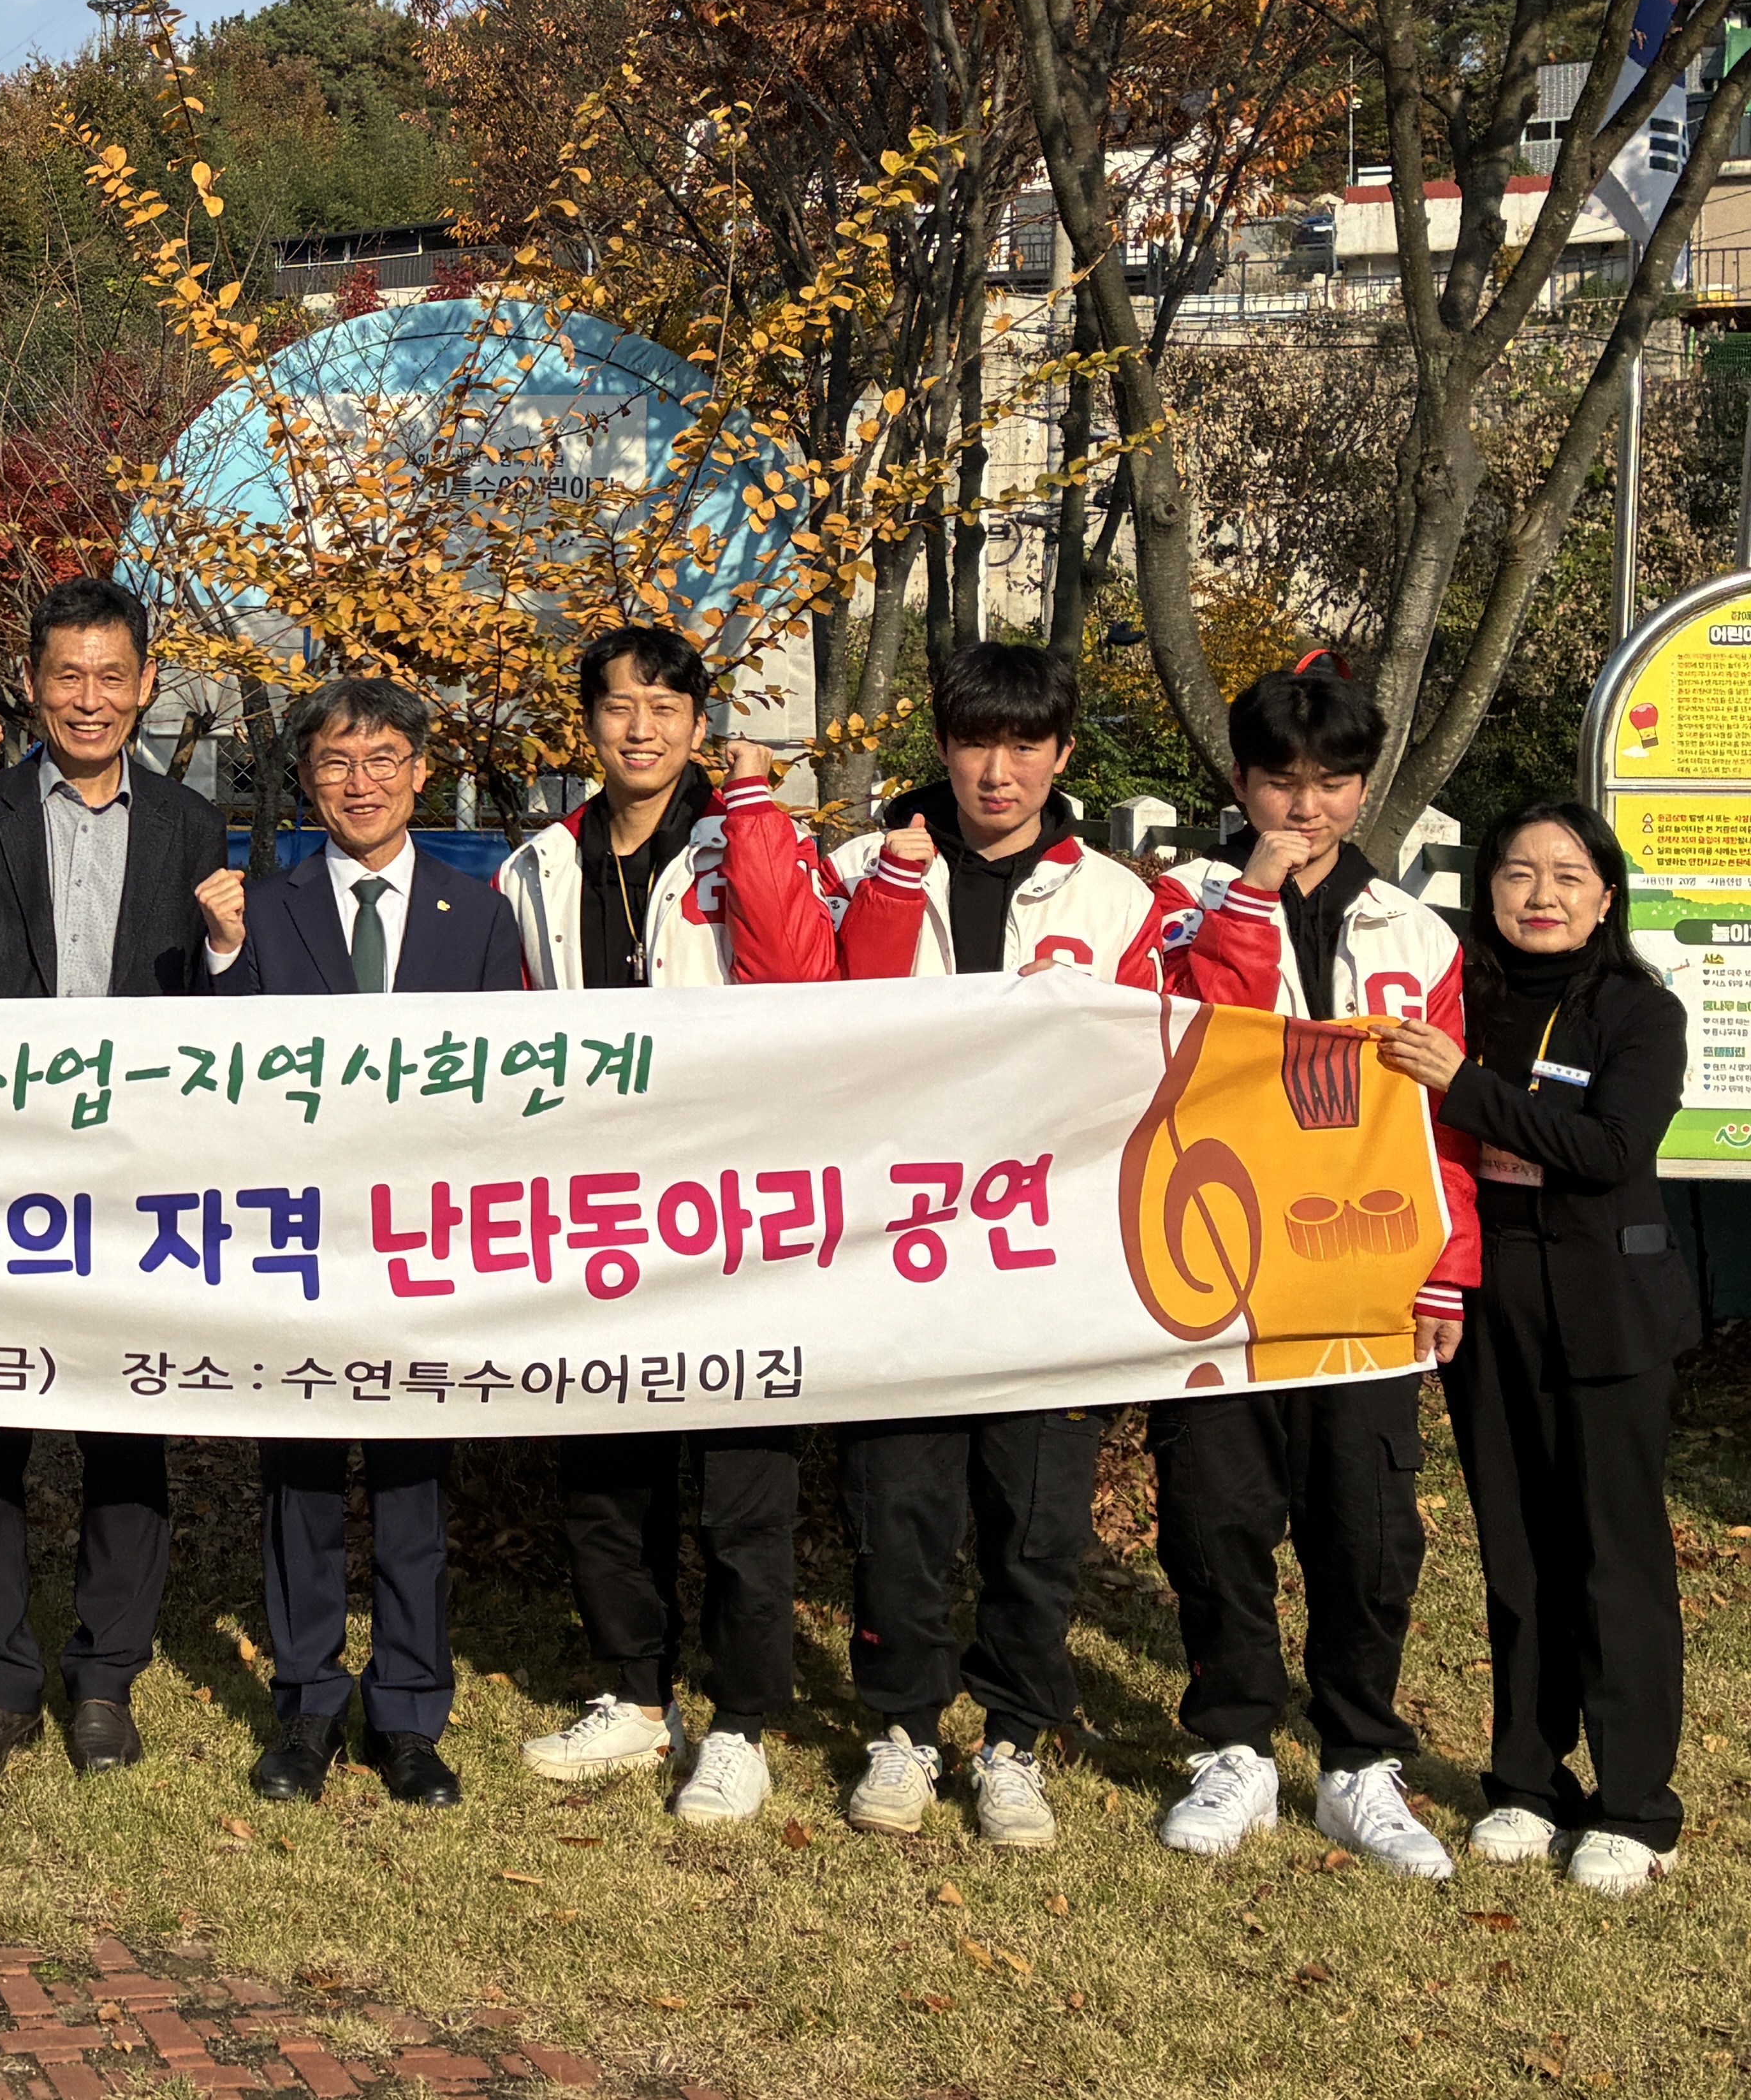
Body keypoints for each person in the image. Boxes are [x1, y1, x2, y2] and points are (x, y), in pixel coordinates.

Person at [805, 641, 1157, 1852]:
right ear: (943, 747)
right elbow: (811, 1020)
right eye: (973, 741)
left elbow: (1162, 1071)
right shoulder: (863, 869)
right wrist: (894, 885)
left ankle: (1014, 1738)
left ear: (1061, 753)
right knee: (897, 1499)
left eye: (1023, 744)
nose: (996, 770)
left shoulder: (1116, 900)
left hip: (1051, 1259)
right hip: (896, 1246)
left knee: (1036, 1511)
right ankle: (901, 1729)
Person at [0, 575, 231, 1780]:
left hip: (133, 1172)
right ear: (30, 684)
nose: (88, 700)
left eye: (111, 676)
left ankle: (105, 1681)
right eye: (64, 676)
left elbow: (212, 1009)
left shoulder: (193, 826)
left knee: (126, 1430)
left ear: (146, 685)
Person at [1147, 654, 1476, 1879]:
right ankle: (1232, 1742)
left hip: (1364, 1267)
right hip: (1215, 1261)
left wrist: (1447, 1266)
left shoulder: (1417, 928)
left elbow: (1444, 1118)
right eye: (1282, 782)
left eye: (1334, 783)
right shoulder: (1179, 904)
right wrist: (1254, 900)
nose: (1307, 806)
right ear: (1241, 782)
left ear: (1363, 784)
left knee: (1368, 1521)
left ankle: (1357, 1761)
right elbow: (1200, 1050)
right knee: (1217, 1511)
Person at [509, 625, 826, 1827]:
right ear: (586, 724)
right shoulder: (540, 862)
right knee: (606, 1468)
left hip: (733, 1206)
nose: (639, 728)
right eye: (617, 705)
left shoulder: (743, 837)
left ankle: (741, 1721)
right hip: (595, 1211)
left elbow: (802, 980)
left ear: (699, 721)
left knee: (744, 1477)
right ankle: (634, 1696)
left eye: (664, 705)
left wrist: (751, 815)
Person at [201, 675, 524, 1809]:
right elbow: (221, 1077)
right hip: (300, 1238)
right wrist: (226, 953)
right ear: (306, 780)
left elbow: (505, 1092)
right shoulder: (266, 908)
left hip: (422, 1244)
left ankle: (410, 1715)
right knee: (295, 1476)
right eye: (337, 763)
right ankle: (305, 1706)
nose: (362, 783)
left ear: (422, 772)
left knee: (410, 1485)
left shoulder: (478, 914)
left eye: (384, 760)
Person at [1375, 801, 1693, 1898]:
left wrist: (1465, 1087)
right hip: (1493, 1300)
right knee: (1514, 1550)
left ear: (1607, 896)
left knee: (1615, 1555)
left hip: (1609, 1306)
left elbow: (1610, 1149)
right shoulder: (1469, 997)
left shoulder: (1641, 1012)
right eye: (1518, 872)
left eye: (1568, 875)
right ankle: (1525, 1780)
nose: (1541, 894)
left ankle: (1637, 1805)